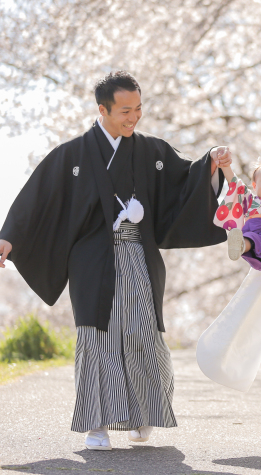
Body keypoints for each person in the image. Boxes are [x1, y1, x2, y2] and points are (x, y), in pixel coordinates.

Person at [0, 71, 229, 450]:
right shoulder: (71, 155)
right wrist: (9, 237)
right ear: (102, 109)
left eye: (138, 109)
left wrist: (210, 164)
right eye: (125, 110)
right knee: (97, 335)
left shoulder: (152, 151)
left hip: (138, 252)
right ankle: (96, 423)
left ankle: (143, 414)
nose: (134, 117)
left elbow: (184, 178)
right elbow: (37, 198)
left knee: (142, 333)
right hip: (91, 258)